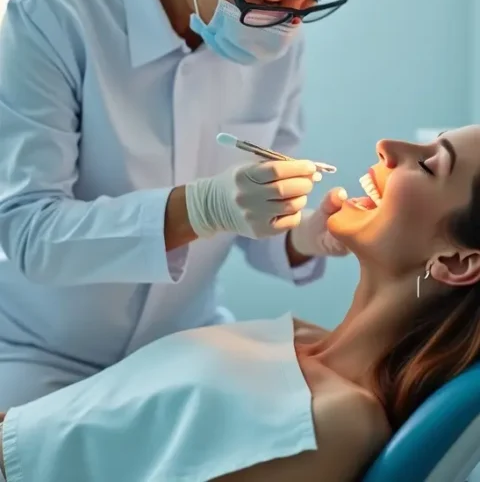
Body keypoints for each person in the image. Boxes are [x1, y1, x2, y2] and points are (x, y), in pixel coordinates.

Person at [0, 0, 371, 409]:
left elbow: (253, 231)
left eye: (310, 4)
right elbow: (30, 234)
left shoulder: (281, 34)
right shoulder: (56, 18)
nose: (287, 27)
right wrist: (201, 207)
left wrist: (305, 233)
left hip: (182, 343)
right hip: (35, 353)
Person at [1, 126, 480, 482]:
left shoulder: (338, 420)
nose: (389, 146)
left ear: (457, 262)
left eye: (430, 164)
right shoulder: (298, 338)